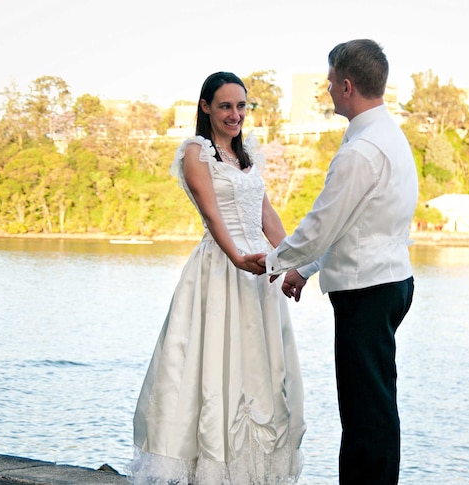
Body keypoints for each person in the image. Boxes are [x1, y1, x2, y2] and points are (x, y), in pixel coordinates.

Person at [129, 71, 305, 485]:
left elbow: (267, 217)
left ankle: (248, 469)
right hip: (221, 268)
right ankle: (206, 467)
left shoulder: (249, 157)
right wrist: (237, 258)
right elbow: (211, 213)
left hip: (259, 272)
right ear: (206, 107)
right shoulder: (196, 152)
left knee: (257, 368)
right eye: (225, 105)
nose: (235, 114)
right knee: (212, 365)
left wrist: (294, 263)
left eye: (241, 106)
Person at [259, 39, 418, 484]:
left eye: (329, 82)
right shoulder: (388, 134)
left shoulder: (360, 151)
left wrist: (273, 261)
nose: (327, 90)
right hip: (389, 280)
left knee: (366, 410)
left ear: (346, 86)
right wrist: (305, 269)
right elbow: (355, 223)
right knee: (375, 402)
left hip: (366, 290)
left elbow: (322, 224)